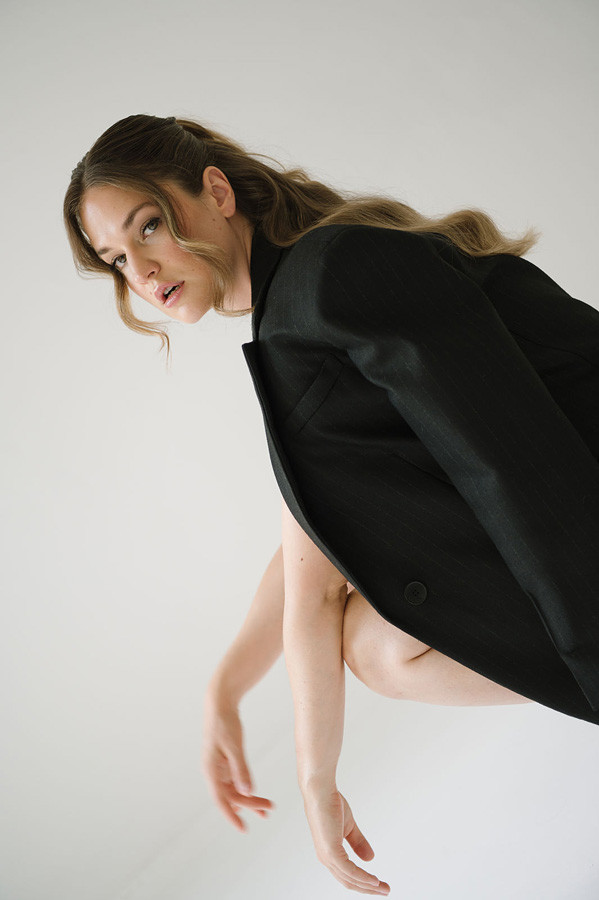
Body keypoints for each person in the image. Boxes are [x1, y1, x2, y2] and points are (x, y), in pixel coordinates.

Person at [64, 113, 599, 896]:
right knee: (372, 641)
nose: (140, 270)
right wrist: (228, 691)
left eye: (148, 226)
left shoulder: (330, 279)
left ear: (215, 192)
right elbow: (312, 548)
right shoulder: (297, 308)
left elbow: (513, 463)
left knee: (376, 642)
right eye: (116, 259)